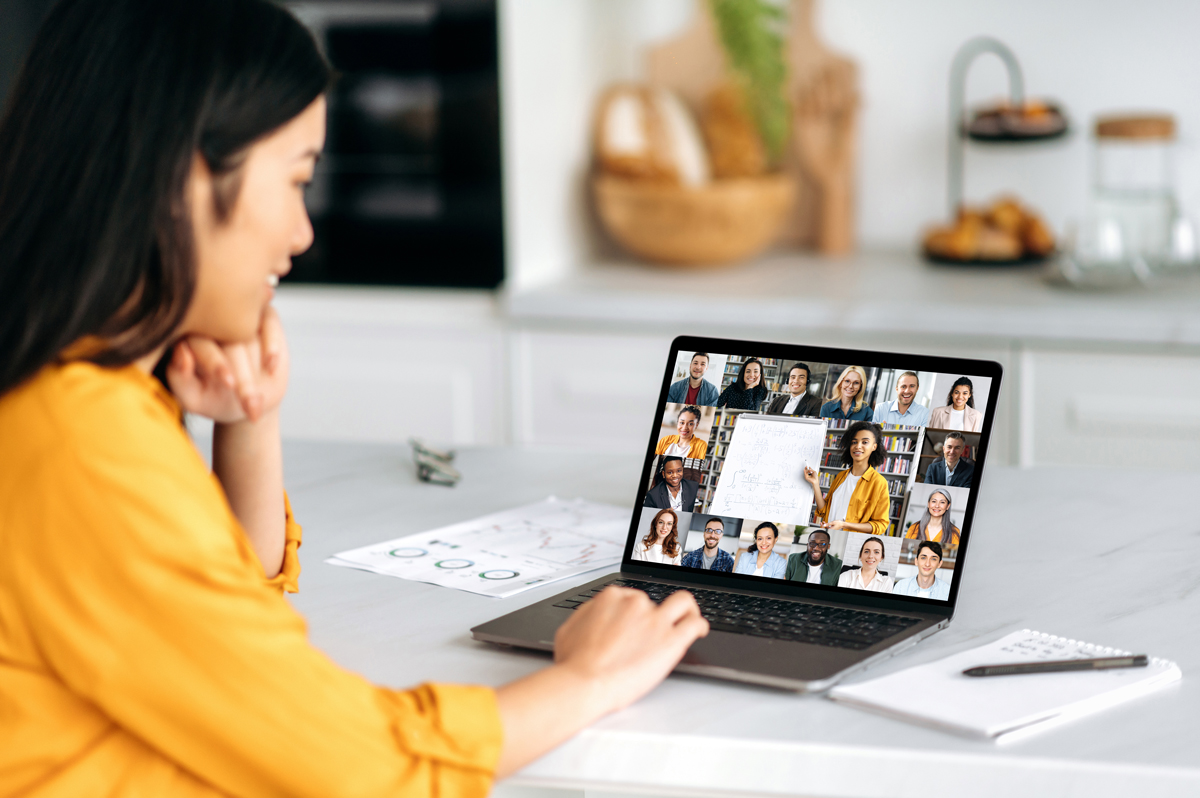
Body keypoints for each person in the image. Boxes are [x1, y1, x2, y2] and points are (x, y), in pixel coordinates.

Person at [0, 2, 710, 794]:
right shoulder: (81, 442)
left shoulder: (73, 391)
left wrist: (249, 423)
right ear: (185, 173)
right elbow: (357, 767)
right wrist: (591, 679)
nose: (302, 233)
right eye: (297, 178)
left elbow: (220, 620)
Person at [803, 421, 891, 536]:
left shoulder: (879, 482)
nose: (858, 446)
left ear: (874, 446)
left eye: (865, 442)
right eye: (854, 442)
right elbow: (824, 510)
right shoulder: (841, 476)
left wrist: (844, 525)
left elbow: (880, 525)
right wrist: (815, 484)